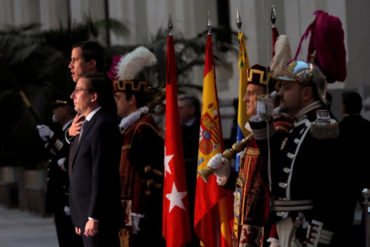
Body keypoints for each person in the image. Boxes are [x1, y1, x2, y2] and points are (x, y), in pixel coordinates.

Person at [249, 60, 341, 246]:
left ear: (306, 93)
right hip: (289, 224)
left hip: (307, 227)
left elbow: (332, 189)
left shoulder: (322, 125)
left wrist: (316, 236)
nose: (280, 94)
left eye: (286, 88)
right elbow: (274, 164)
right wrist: (262, 119)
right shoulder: (299, 125)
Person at [207, 64, 292, 246]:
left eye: (251, 93)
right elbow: (251, 187)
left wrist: (275, 233)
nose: (245, 99)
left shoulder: (278, 134)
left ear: (267, 98)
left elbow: (280, 188)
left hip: (265, 234)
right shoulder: (254, 137)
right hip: (246, 232)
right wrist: (227, 176)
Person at [110, 46, 165, 247]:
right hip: (129, 208)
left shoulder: (143, 128)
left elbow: (153, 175)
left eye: (118, 98)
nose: (115, 103)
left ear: (132, 100)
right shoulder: (130, 128)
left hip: (142, 213)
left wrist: (141, 211)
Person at [68, 73, 122, 247]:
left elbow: (102, 174)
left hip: (99, 217)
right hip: (85, 214)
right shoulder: (88, 123)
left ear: (94, 96)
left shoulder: (102, 125)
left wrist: (93, 216)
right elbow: (79, 167)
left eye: (78, 90)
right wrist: (79, 215)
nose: (72, 95)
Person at [36, 99, 83, 247]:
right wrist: (49, 142)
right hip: (59, 198)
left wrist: (52, 138)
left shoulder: (75, 129)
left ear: (68, 109)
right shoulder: (62, 131)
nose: (54, 111)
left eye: (58, 107)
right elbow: (59, 155)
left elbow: (67, 156)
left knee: (71, 240)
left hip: (68, 197)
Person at [339, 91, 370, 245]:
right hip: (366, 178)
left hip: (347, 181)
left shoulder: (340, 128)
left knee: (345, 219)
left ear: (344, 108)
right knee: (368, 214)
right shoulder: (368, 127)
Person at [67, 40, 105, 141]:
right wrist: (69, 134)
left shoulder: (108, 95)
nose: (70, 65)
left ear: (91, 63)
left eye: (75, 60)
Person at [178, 95, 201, 247]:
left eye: (181, 108)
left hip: (194, 185)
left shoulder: (200, 129)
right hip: (179, 186)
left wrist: (181, 164)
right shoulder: (177, 129)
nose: (177, 111)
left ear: (191, 110)